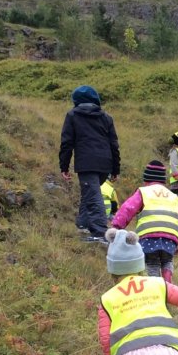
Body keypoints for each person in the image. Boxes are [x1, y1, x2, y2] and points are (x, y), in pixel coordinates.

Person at [59, 85, 121, 241]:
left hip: (86, 163)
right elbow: (114, 145)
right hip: (105, 163)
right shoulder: (106, 117)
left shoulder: (72, 115)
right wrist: (115, 169)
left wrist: (64, 166)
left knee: (93, 196)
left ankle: (101, 234)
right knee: (89, 193)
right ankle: (82, 225)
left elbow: (67, 143)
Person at [111, 161, 178, 283]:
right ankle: (168, 284)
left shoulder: (144, 192)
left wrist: (117, 226)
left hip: (149, 236)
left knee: (152, 263)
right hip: (170, 237)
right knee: (167, 261)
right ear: (163, 180)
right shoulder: (172, 196)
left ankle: (155, 287)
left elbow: (128, 208)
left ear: (146, 180)